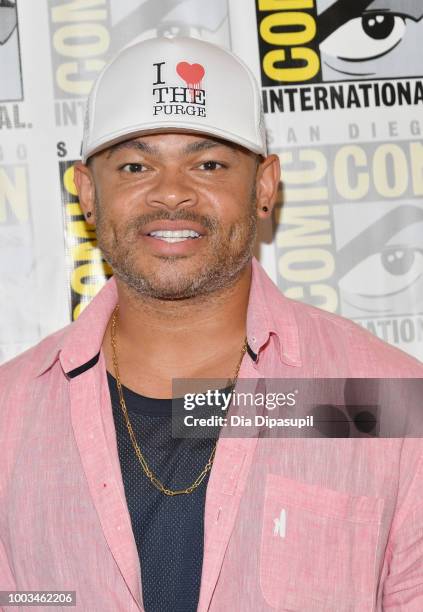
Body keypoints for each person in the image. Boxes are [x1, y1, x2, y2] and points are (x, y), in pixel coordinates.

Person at [1, 36, 423, 612]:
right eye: (134, 165)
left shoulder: (385, 397)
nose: (172, 192)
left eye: (208, 163)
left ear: (265, 186)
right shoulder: (11, 415)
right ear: (86, 193)